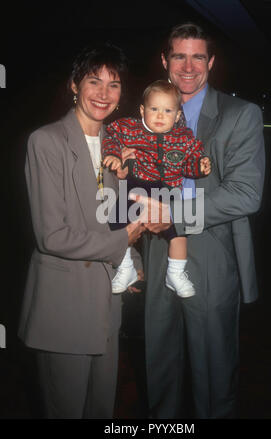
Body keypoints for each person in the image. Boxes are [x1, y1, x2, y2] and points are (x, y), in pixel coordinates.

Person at [142, 23, 265, 418]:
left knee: (212, 379)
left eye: (198, 56)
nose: (188, 66)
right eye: (179, 55)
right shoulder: (148, 115)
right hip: (159, 252)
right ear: (165, 61)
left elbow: (246, 194)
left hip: (211, 254)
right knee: (159, 372)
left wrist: (171, 213)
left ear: (211, 62)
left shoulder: (241, 114)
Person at [18, 43, 145, 419]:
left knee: (101, 408)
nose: (103, 94)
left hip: (107, 302)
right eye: (94, 81)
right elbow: (52, 235)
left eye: (114, 84)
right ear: (74, 84)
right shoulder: (46, 141)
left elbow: (117, 217)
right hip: (65, 305)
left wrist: (133, 259)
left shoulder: (118, 145)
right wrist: (123, 242)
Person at [102, 80, 211, 297]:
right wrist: (113, 154)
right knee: (117, 222)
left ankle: (176, 273)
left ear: (178, 115)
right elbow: (111, 135)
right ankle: (126, 269)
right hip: (137, 185)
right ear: (142, 110)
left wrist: (199, 166)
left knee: (179, 232)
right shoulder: (130, 128)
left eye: (167, 110)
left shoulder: (184, 138)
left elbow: (188, 164)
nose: (160, 116)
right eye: (154, 109)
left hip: (169, 189)